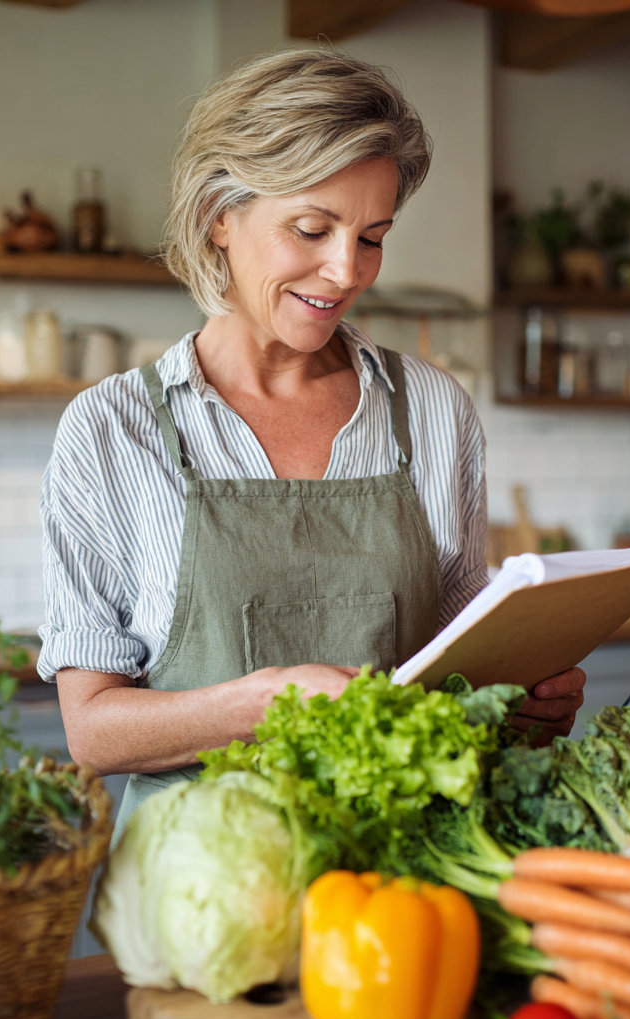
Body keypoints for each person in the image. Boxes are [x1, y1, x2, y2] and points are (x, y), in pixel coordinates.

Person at [38, 50, 585, 836]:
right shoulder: (109, 433)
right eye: (312, 228)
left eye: (372, 236)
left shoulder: (431, 411)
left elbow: (471, 675)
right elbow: (90, 730)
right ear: (218, 216)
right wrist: (264, 706)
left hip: (410, 884)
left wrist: (530, 702)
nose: (345, 271)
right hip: (202, 901)